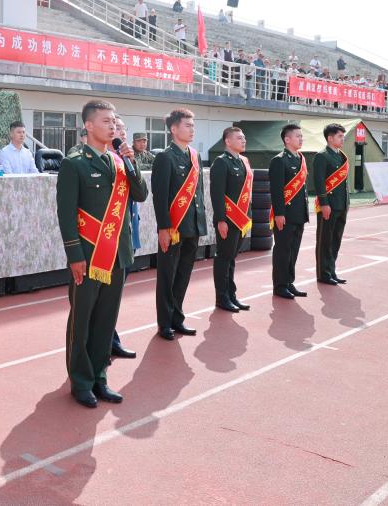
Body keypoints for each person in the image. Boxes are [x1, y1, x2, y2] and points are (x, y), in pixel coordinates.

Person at [56, 100, 147, 407]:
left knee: (106, 321)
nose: (112, 127)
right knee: (82, 321)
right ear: (89, 125)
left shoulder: (120, 162)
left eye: (115, 122)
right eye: (106, 121)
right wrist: (74, 255)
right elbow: (66, 214)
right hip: (88, 255)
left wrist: (132, 162)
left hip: (117, 254)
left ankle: (100, 377)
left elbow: (140, 194)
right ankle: (81, 381)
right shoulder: (74, 163)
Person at [152, 108, 207, 340]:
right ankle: (165, 323)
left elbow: (199, 193)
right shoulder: (165, 157)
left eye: (193, 125)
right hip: (173, 228)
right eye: (187, 125)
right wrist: (163, 228)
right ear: (174, 129)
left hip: (192, 224)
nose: (192, 129)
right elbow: (160, 196)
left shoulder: (194, 156)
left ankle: (177, 317)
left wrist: (200, 221)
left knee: (183, 274)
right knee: (168, 276)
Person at [209, 127, 253, 313]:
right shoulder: (221, 162)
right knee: (224, 258)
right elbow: (217, 194)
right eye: (239, 138)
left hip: (241, 218)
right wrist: (221, 220)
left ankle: (231, 295)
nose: (243, 140)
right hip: (228, 219)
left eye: (244, 137)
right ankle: (222, 298)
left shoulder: (243, 161)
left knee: (232, 258)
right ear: (227, 141)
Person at [269, 123, 310, 299]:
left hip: (299, 213)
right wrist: (279, 214)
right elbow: (276, 190)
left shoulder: (300, 159)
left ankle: (288, 282)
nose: (301, 139)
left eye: (301, 136)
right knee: (283, 250)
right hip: (285, 214)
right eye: (297, 136)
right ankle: (280, 285)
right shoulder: (279, 160)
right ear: (287, 139)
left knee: (294, 250)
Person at [110, 116, 138, 360]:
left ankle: (109, 338)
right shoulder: (103, 159)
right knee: (105, 296)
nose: (121, 132)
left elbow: (140, 194)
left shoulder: (125, 160)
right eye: (116, 127)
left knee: (115, 293)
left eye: (122, 128)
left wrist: (131, 161)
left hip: (128, 233)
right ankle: (108, 340)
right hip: (107, 237)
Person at [314, 123, 350, 286]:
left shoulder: (340, 156)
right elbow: (319, 182)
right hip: (328, 205)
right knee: (325, 241)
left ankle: (331, 271)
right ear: (330, 138)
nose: (343, 139)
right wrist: (324, 203)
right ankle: (323, 274)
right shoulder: (322, 156)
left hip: (341, 204)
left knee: (336, 240)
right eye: (339, 136)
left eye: (343, 136)